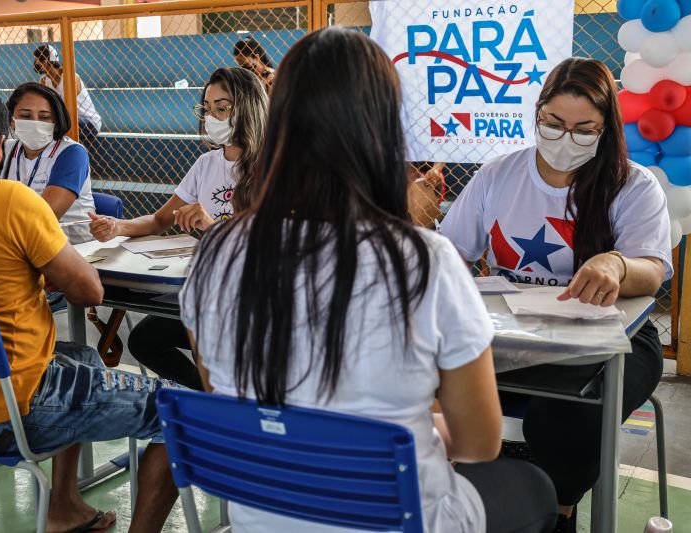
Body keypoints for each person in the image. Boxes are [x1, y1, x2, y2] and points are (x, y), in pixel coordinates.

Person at [179, 27, 557, 533]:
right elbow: (479, 443)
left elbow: (226, 402)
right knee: (534, 487)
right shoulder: (427, 261)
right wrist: (401, 435)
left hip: (264, 517)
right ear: (383, 128)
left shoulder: (214, 257)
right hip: (397, 515)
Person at [0, 82, 178, 533]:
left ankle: (62, 507)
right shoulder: (12, 202)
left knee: (81, 358)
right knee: (175, 410)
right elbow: (88, 292)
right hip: (19, 407)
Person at [439, 58, 672, 533]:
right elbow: (447, 253)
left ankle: (557, 514)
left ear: (607, 128)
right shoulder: (498, 175)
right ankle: (450, 499)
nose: (566, 139)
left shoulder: (633, 185)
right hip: (507, 336)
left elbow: (651, 272)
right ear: (538, 113)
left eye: (584, 129)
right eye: (554, 123)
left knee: (567, 415)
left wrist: (617, 263)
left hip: (612, 344)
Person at [90, 67, 268, 388]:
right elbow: (160, 220)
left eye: (223, 108)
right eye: (208, 108)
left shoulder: (270, 167)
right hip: (204, 288)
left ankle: (215, 402)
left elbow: (260, 248)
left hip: (249, 298)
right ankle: (202, 397)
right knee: (144, 341)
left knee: (218, 352)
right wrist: (118, 226)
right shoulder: (206, 164)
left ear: (248, 108)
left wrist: (209, 224)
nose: (213, 116)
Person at [3, 82, 96, 245]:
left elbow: (44, 217)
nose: (35, 122)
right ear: (12, 120)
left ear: (55, 121)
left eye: (45, 117)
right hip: (18, 243)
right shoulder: (4, 150)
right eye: (25, 116)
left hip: (73, 247)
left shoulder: (72, 153)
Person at [33, 44, 102, 147]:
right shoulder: (44, 81)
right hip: (64, 122)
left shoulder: (71, 77)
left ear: (45, 62)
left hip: (88, 122)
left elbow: (66, 110)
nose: (35, 64)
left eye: (36, 60)